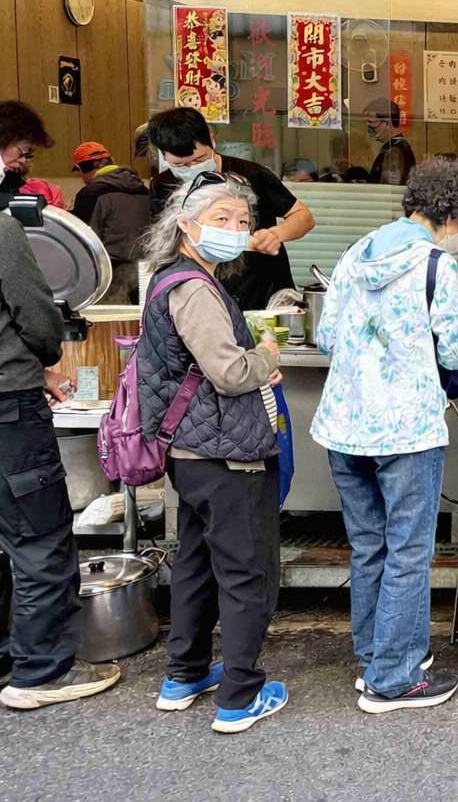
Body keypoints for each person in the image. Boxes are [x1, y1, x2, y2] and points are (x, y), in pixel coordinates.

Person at [311, 158, 458, 715]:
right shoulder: (438, 267)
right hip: (407, 429)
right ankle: (393, 680)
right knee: (409, 553)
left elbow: (326, 337)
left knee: (370, 547)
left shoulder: (356, 253)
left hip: (344, 426)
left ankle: (377, 655)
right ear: (454, 215)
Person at [137, 172, 287, 733]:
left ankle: (185, 674)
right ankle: (240, 696)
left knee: (196, 564)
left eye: (243, 222)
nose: (234, 228)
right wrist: (266, 354)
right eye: (221, 218)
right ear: (186, 224)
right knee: (245, 573)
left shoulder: (172, 279)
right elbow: (227, 372)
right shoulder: (195, 287)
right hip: (223, 455)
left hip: (192, 452)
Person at [0, 193, 121, 710]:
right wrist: (40, 361)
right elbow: (35, 313)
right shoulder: (2, 231)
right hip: (8, 409)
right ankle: (41, 672)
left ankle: (9, 656)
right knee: (40, 540)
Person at [147, 107, 316, 310]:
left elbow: (303, 217)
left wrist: (275, 234)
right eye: (180, 165)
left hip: (262, 287)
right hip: (202, 290)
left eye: (200, 159)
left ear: (212, 140)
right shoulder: (162, 185)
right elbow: (166, 241)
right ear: (164, 156)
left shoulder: (252, 175)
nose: (192, 168)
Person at [70, 142, 151, 305]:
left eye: (80, 172)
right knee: (141, 321)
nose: (82, 178)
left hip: (111, 273)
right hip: (145, 269)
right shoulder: (142, 189)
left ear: (92, 166)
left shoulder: (91, 193)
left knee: (111, 324)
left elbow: (80, 237)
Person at [0, 100, 50, 196]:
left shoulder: (10, 178)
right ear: (4, 139)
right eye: (22, 151)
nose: (23, 160)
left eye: (27, 155)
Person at [366, 101, 416, 186]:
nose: (369, 127)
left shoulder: (395, 151)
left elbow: (390, 188)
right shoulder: (395, 147)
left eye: (371, 122)